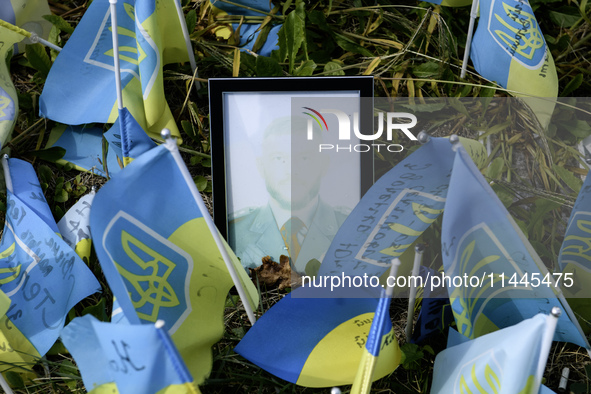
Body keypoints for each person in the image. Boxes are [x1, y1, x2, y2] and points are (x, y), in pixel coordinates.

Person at [228, 116, 350, 275]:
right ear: (261, 167)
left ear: (323, 165)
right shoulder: (234, 230)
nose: (291, 171)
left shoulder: (355, 228)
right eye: (279, 158)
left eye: (304, 158)